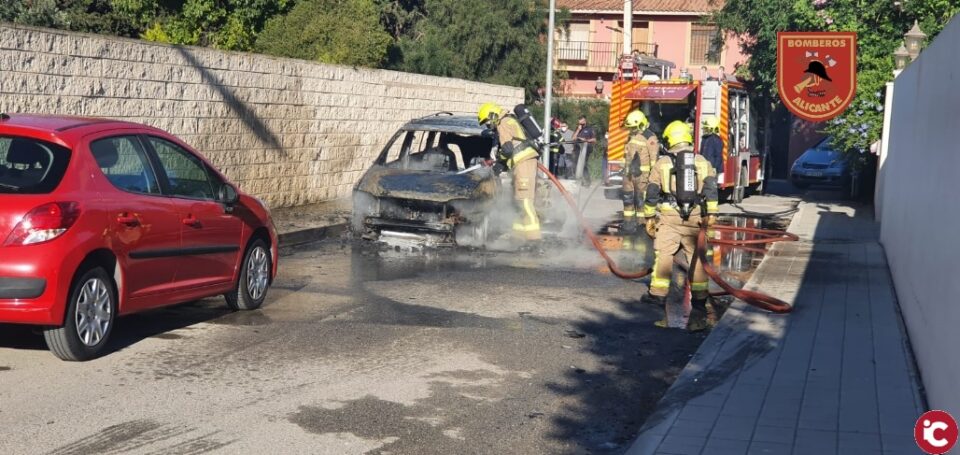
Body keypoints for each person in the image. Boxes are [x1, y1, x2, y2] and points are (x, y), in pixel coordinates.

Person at [643, 120, 719, 331]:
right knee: (697, 258)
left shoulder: (663, 163)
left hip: (669, 216)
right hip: (696, 217)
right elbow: (711, 188)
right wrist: (712, 213)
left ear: (670, 140)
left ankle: (657, 296)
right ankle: (700, 301)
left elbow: (651, 192)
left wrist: (649, 218)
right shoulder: (702, 161)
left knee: (664, 254)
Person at [477, 102, 541, 241]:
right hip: (521, 163)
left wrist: (499, 165)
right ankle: (518, 236)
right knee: (517, 202)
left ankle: (534, 240)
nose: (489, 126)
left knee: (524, 201)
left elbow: (507, 149)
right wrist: (503, 164)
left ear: (493, 116)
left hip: (523, 163)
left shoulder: (503, 123)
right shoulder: (509, 120)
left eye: (488, 123)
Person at [620, 109, 659, 235]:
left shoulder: (650, 137)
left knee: (640, 201)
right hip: (628, 175)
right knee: (627, 200)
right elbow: (628, 155)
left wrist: (653, 178)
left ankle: (641, 225)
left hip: (643, 176)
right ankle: (628, 224)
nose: (632, 130)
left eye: (634, 127)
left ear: (641, 124)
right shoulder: (632, 136)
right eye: (630, 128)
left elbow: (654, 160)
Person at [573, 116, 596, 185]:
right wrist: (578, 130)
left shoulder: (589, 129)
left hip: (586, 148)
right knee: (576, 164)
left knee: (584, 164)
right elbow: (573, 138)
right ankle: (579, 180)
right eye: (579, 122)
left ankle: (587, 180)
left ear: (585, 121)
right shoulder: (578, 128)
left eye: (582, 122)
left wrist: (586, 140)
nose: (581, 124)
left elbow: (594, 140)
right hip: (577, 148)